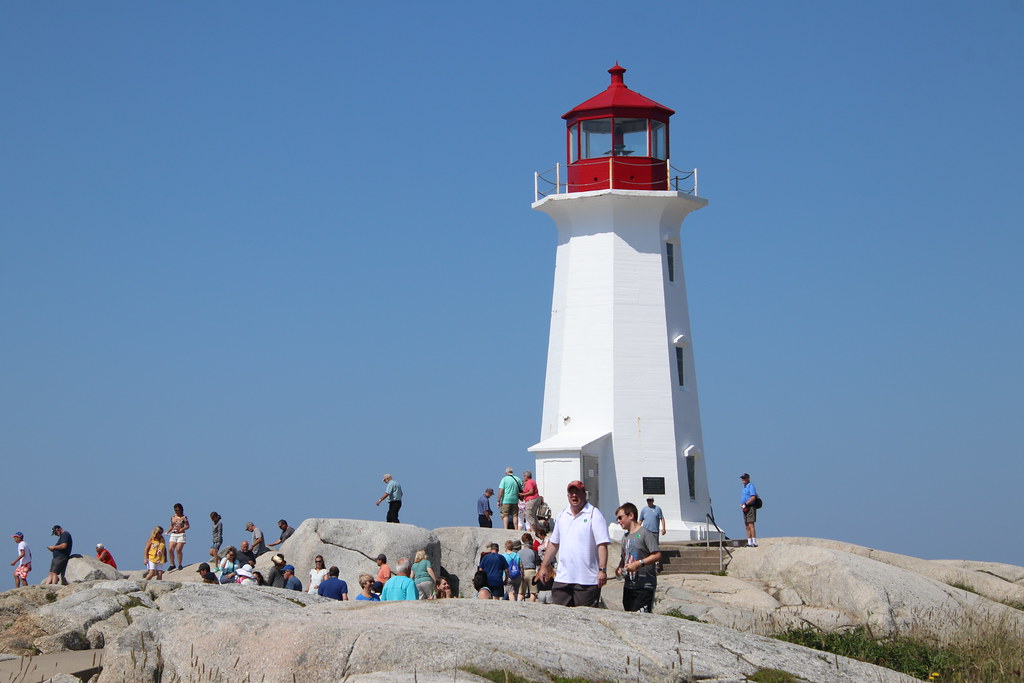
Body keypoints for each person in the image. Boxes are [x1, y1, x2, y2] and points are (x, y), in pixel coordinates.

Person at [536, 480, 611, 607]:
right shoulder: (562, 515)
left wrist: (602, 570)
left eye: (577, 492)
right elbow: (554, 543)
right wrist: (544, 566)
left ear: (584, 494)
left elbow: (602, 544)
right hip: (563, 579)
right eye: (571, 493)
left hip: (587, 580)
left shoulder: (594, 514)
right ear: (568, 496)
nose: (574, 496)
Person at [614, 502, 662, 613]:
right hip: (629, 586)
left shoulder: (645, 533)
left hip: (645, 586)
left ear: (631, 515)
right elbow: (623, 558)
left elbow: (657, 554)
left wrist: (639, 563)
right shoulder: (625, 537)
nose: (618, 521)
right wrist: (619, 569)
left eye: (620, 517)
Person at [167, 503, 189, 572]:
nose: (176, 511)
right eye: (175, 510)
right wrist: (168, 531)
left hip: (181, 534)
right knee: (170, 549)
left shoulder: (184, 517)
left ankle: (180, 564)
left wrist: (183, 529)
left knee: (178, 549)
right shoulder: (173, 517)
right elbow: (172, 526)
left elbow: (188, 526)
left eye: (177, 510)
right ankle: (172, 564)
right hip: (174, 534)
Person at [518, 534, 538, 602]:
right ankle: (531, 604)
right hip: (531, 571)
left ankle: (518, 602)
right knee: (533, 592)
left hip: (522, 572)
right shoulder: (533, 552)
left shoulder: (519, 552)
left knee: (521, 592)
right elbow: (537, 562)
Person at [741, 473, 758, 547]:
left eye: (744, 478)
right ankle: (749, 542)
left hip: (750, 507)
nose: (743, 480)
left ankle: (754, 541)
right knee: (746, 525)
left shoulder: (751, 486)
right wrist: (742, 504)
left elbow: (753, 497)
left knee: (751, 524)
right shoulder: (744, 487)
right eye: (742, 478)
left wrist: (746, 504)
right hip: (745, 508)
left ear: (748, 478)